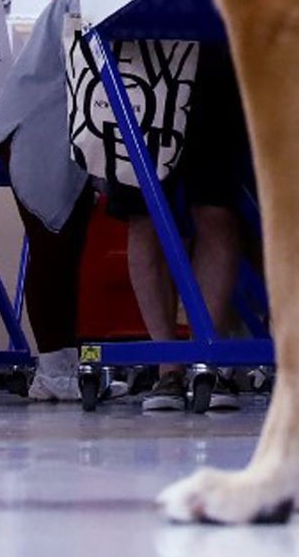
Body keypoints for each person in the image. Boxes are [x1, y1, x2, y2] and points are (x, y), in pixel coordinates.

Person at [0, 0, 110, 403]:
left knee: (67, 250)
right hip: (37, 128)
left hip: (63, 133)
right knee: (51, 249)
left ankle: (64, 367)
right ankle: (51, 369)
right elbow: (89, 71)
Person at [100, 43, 249, 413]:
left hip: (215, 49)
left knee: (216, 210)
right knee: (144, 215)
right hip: (139, 54)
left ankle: (205, 358)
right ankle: (168, 366)